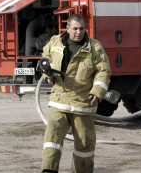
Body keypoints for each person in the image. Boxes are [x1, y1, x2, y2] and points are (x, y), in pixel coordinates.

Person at [40, 14, 111, 172]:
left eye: (81, 29)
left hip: (82, 104)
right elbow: (46, 58)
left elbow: (103, 71)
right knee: (53, 137)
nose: (78, 32)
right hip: (59, 100)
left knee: (85, 144)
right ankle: (48, 169)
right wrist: (47, 74)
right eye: (75, 29)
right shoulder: (55, 42)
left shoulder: (94, 47)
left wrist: (98, 91)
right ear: (67, 28)